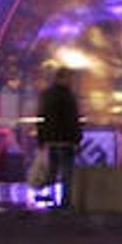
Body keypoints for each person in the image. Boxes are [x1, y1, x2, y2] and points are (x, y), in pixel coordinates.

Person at [36, 68, 82, 208]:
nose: (71, 82)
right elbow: (72, 120)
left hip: (52, 140)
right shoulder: (68, 97)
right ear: (62, 78)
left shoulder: (47, 95)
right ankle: (65, 202)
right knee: (67, 173)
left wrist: (42, 139)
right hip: (65, 141)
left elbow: (42, 118)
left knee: (52, 171)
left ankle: (50, 199)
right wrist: (76, 139)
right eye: (69, 79)